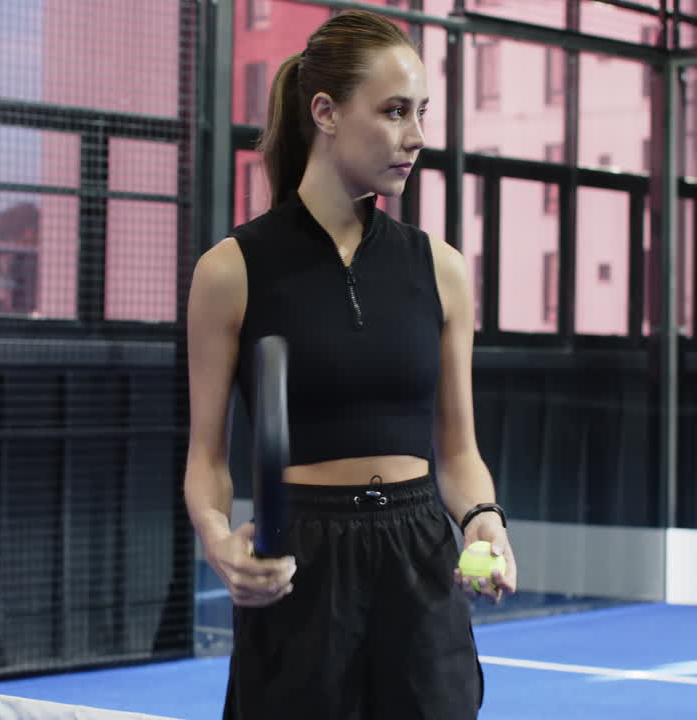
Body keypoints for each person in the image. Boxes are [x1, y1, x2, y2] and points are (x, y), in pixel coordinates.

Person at [183, 9, 517, 719]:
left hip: (421, 557)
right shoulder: (229, 272)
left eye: (421, 112)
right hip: (298, 569)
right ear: (325, 112)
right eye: (395, 112)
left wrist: (484, 518)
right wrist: (219, 542)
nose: (417, 137)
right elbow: (206, 457)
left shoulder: (444, 270)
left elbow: (458, 452)